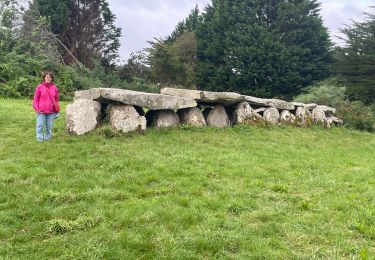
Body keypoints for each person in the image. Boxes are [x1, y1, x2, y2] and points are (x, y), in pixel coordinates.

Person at [33, 71, 60, 141]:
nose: (48, 78)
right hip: (41, 110)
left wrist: (57, 109)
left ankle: (47, 138)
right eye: (47, 77)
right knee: (40, 125)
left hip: (52, 111)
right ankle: (39, 138)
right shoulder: (40, 87)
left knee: (49, 126)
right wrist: (36, 108)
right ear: (44, 78)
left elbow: (56, 99)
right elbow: (36, 99)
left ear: (52, 79)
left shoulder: (54, 87)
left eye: (50, 77)